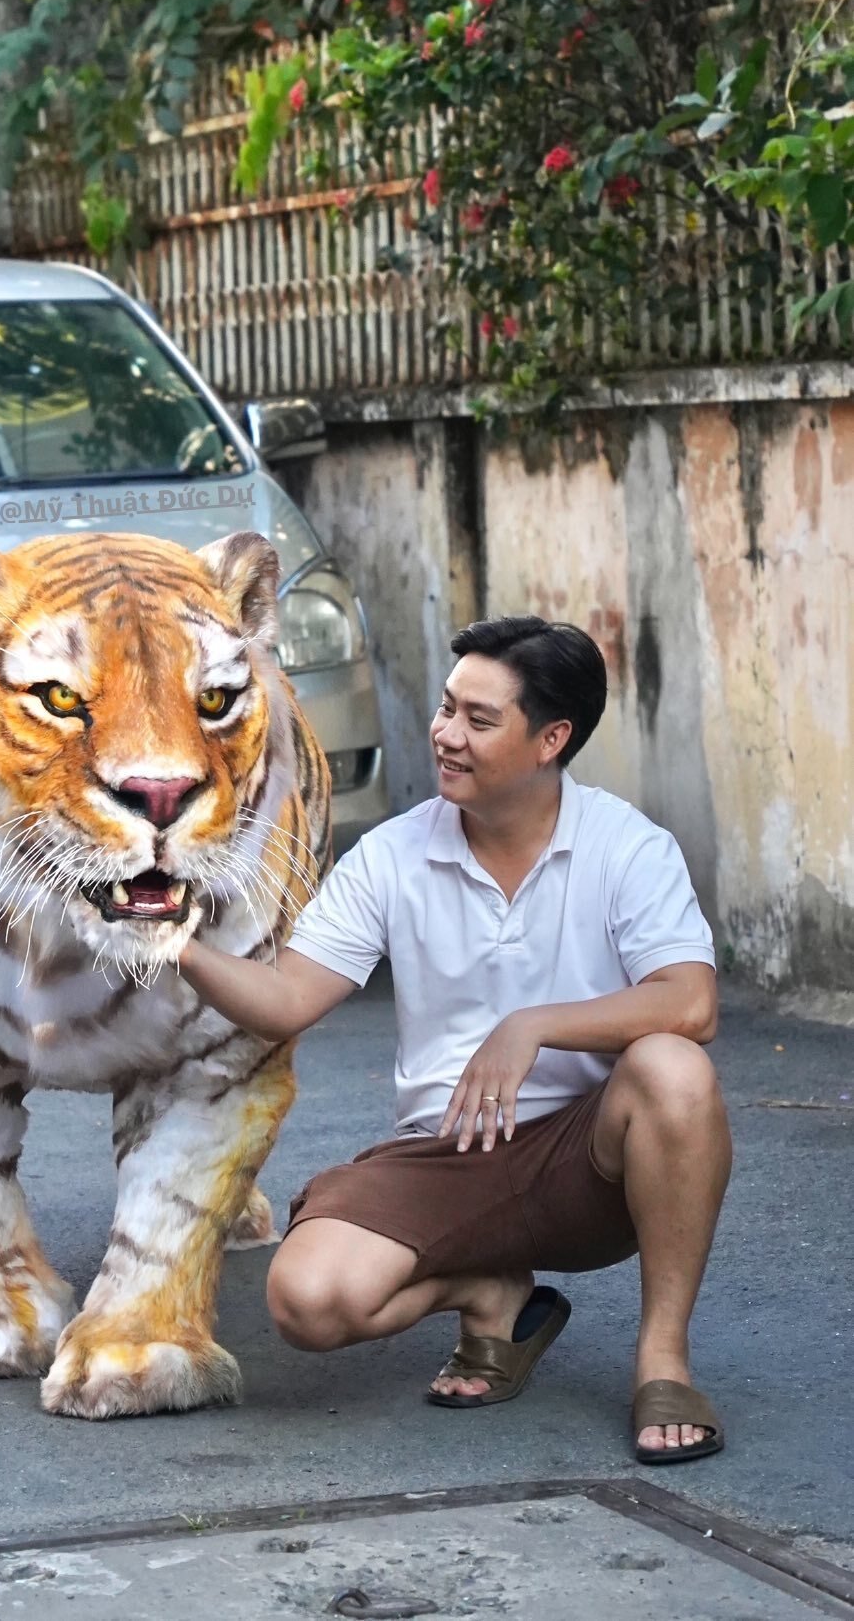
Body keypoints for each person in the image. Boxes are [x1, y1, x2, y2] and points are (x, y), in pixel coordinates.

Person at [178, 615, 730, 1464]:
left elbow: (690, 1002)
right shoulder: (394, 855)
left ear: (552, 739)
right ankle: (489, 1290)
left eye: (479, 719)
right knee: (306, 1301)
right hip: (442, 1153)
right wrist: (171, 941)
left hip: (589, 1166)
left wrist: (534, 1027)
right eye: (446, 708)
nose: (445, 735)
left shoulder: (626, 847)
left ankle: (663, 1360)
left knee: (673, 1066)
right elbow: (288, 999)